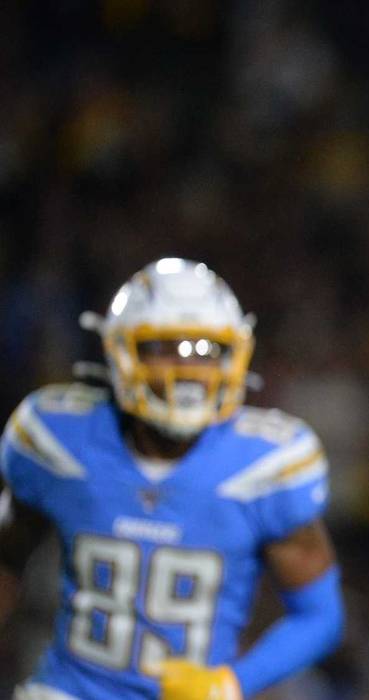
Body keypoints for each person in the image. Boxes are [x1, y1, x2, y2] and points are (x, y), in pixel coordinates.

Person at [0, 258, 344, 700]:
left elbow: (320, 617)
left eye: (206, 351)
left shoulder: (268, 467)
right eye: (164, 348)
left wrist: (229, 685)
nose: (187, 371)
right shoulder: (58, 438)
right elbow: (6, 561)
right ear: (119, 351)